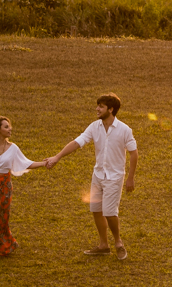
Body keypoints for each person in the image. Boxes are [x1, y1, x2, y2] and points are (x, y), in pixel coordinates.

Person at [46, 93, 138, 261]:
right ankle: (104, 245)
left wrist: (130, 178)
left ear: (110, 110)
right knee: (96, 210)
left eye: (101, 106)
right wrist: (57, 157)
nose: (97, 109)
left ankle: (118, 242)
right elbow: (77, 142)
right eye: (97, 105)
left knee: (110, 213)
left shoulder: (124, 130)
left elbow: (134, 153)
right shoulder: (94, 127)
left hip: (114, 177)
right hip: (98, 175)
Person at [0, 116, 46, 260]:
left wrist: (44, 164)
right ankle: (7, 245)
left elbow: (26, 163)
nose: (10, 129)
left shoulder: (13, 148)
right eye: (6, 127)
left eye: (9, 126)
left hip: (4, 187)